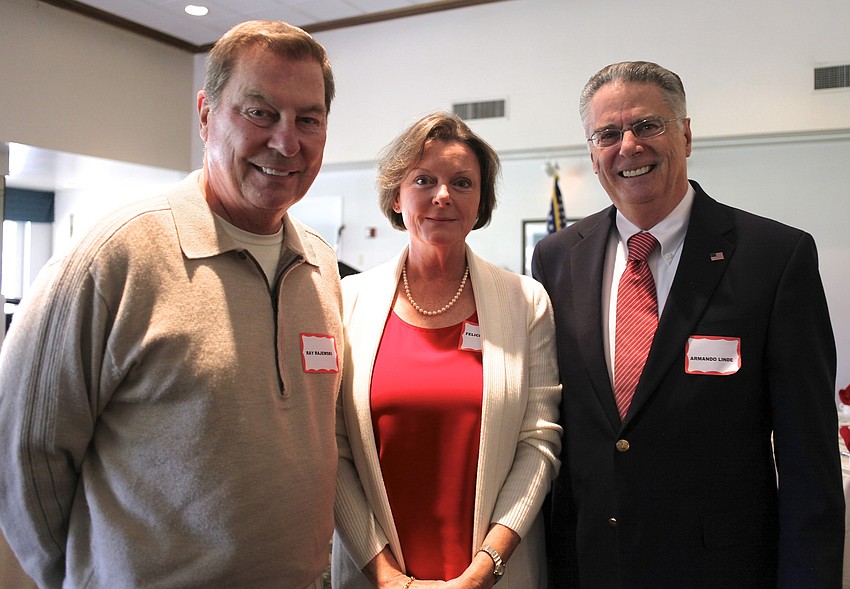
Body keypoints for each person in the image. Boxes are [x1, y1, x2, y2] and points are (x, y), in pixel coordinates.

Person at [0, 20, 343, 588]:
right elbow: (21, 455)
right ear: (206, 114)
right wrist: (86, 576)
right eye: (260, 112)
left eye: (308, 119)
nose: (286, 142)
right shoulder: (114, 257)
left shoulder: (321, 265)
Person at [532, 60, 844, 588]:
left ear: (686, 134)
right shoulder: (557, 258)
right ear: (592, 151)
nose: (628, 145)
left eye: (647, 125)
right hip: (588, 565)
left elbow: (808, 461)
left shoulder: (774, 257)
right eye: (608, 133)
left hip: (719, 569)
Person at [332, 112, 562, 588]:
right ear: (397, 195)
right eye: (423, 180)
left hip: (494, 571)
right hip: (374, 574)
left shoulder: (525, 302)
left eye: (462, 182)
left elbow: (538, 442)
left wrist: (486, 567)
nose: (443, 196)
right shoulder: (347, 300)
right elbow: (334, 450)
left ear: (481, 202)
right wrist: (385, 575)